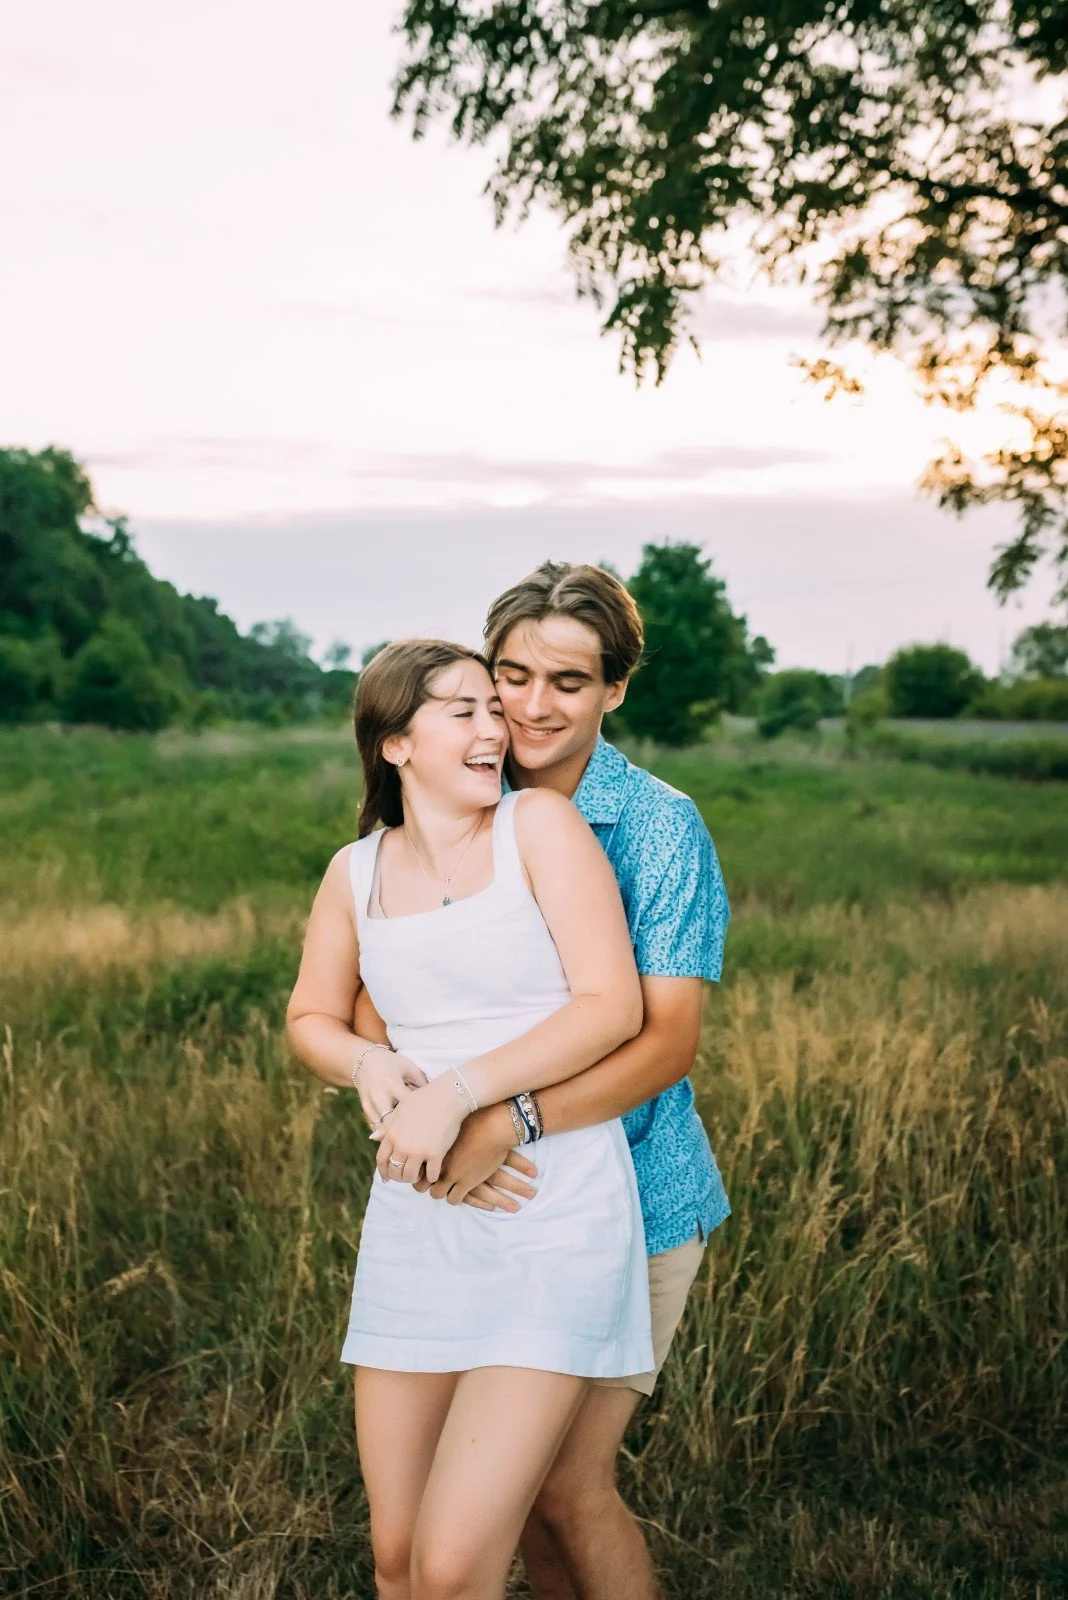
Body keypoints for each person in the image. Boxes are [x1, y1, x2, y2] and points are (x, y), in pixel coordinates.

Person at [286, 638, 653, 1600]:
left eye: (495, 709)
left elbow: (611, 1006)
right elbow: (310, 1020)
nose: (497, 728)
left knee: (453, 1569)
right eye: (465, 710)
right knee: (398, 1563)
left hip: (551, 1204)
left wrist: (458, 1094)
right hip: (418, 1218)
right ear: (395, 744)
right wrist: (366, 1059)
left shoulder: (539, 828)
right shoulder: (353, 872)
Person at [393, 563, 732, 1600]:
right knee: (519, 1485)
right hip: (495, 1201)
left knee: (568, 1483)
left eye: (570, 682)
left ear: (615, 689)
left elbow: (666, 1041)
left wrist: (513, 1116)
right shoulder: (462, 801)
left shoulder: (661, 827)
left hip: (634, 1193)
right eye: (513, 674)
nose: (535, 706)